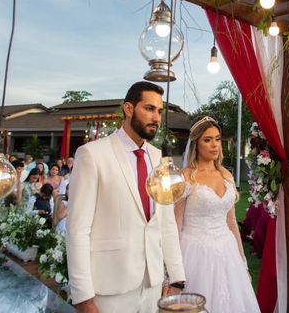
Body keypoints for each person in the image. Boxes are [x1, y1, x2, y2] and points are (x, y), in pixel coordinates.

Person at [66, 81, 185, 313]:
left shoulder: (159, 158)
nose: (156, 118)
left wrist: (177, 277)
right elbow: (78, 229)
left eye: (159, 111)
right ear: (129, 109)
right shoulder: (92, 154)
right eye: (149, 109)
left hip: (152, 285)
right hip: (109, 287)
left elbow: (166, 223)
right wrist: (83, 297)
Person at [174, 116, 260, 313]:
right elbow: (175, 223)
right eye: (207, 139)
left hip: (227, 250)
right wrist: (172, 269)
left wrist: (242, 261)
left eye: (217, 139)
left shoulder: (226, 175)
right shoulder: (185, 176)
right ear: (196, 143)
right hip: (195, 252)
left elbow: (231, 222)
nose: (214, 145)